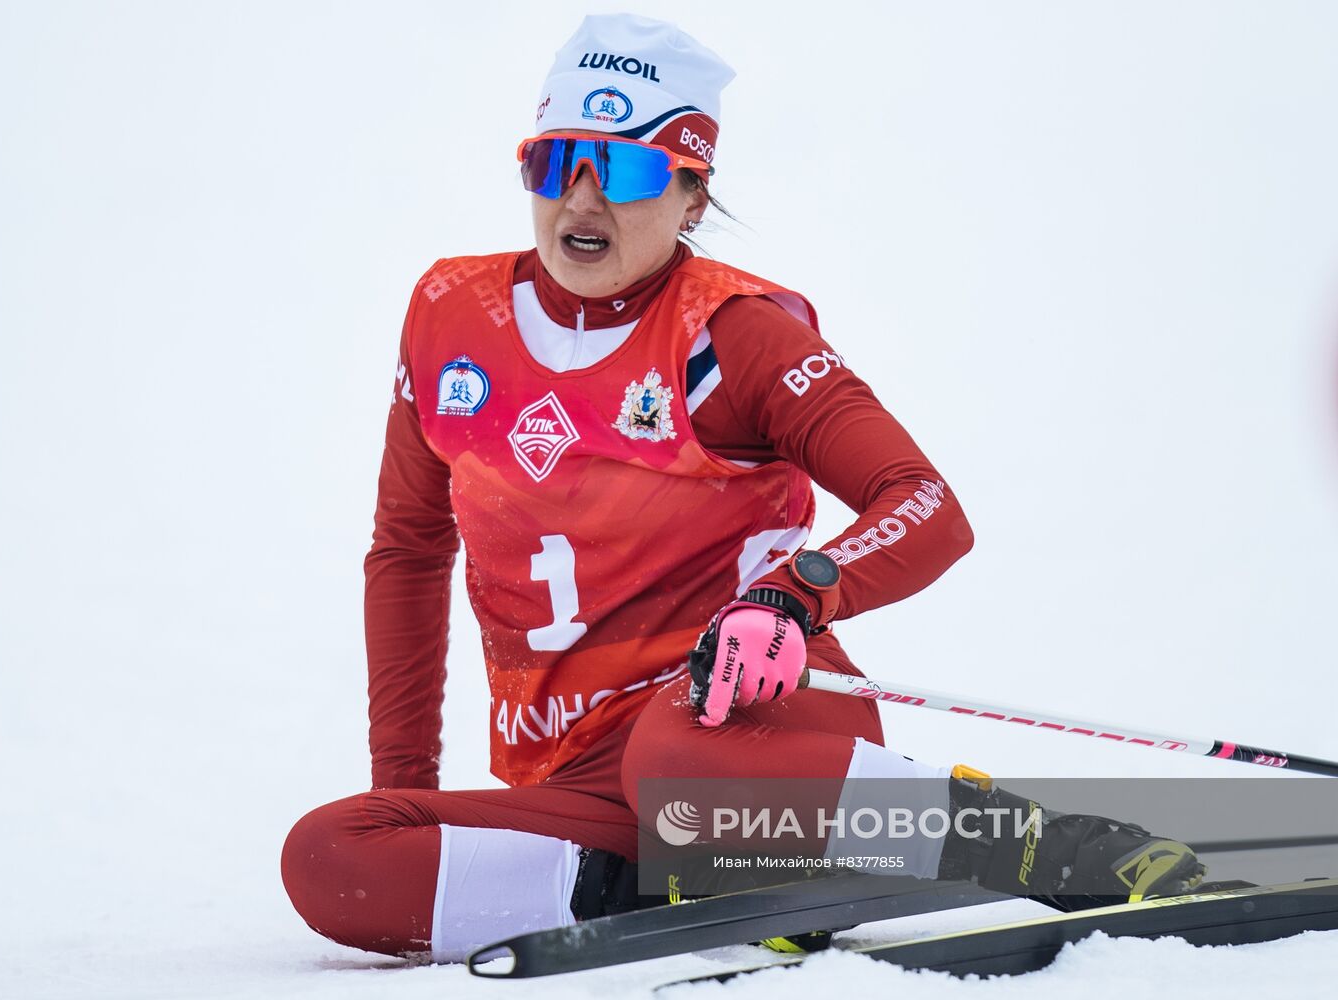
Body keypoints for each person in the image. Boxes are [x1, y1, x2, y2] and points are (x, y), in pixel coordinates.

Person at [280, 14, 1203, 962]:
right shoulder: (448, 314)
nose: (581, 201)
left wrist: (798, 594)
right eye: (555, 164)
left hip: (743, 724)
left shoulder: (733, 333)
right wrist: (403, 796)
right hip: (590, 779)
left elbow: (925, 503)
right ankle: (690, 884)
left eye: (628, 171)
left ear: (690, 193)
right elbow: (409, 551)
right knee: (330, 854)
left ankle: (1050, 847)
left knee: (679, 763)